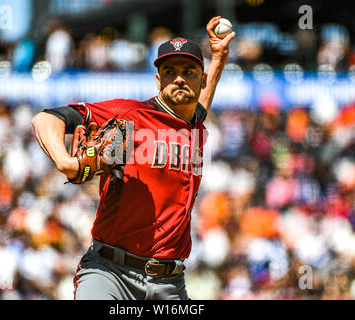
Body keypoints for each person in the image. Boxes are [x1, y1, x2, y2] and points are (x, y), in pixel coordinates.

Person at [31, 16, 235, 300]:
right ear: (158, 79)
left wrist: (219, 58)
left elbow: (198, 105)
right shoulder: (130, 115)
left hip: (170, 283)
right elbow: (46, 118)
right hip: (110, 273)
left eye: (188, 72)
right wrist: (65, 161)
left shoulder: (193, 124)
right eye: (169, 71)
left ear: (201, 80)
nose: (178, 78)